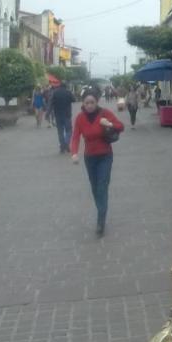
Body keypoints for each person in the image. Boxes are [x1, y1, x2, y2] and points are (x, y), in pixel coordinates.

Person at [70, 91, 124, 236]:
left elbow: (121, 126)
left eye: (92, 102)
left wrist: (109, 123)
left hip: (105, 156)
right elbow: (75, 136)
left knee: (102, 185)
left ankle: (101, 219)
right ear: (83, 103)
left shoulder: (104, 113)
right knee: (95, 187)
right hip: (90, 158)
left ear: (97, 102)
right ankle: (101, 209)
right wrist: (74, 152)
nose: (89, 105)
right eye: (86, 103)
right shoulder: (80, 118)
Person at [50, 80, 75, 153]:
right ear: (66, 86)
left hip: (58, 115)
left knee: (60, 131)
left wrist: (48, 113)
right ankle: (66, 143)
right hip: (67, 115)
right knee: (69, 130)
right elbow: (74, 100)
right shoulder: (68, 92)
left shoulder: (55, 93)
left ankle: (62, 145)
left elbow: (51, 103)